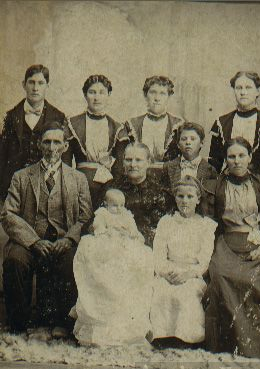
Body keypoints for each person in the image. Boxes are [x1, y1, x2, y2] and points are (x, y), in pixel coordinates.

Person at [1, 121, 92, 340]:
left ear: (65, 146)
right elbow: (8, 214)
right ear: (40, 145)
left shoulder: (78, 178)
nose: (52, 148)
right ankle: (18, 327)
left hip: (63, 240)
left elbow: (85, 216)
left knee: (72, 260)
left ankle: (62, 322)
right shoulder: (22, 176)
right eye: (47, 142)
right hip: (29, 241)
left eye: (57, 142)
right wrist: (33, 241)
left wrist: (70, 239)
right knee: (15, 260)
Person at [204, 137, 260, 361]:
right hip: (227, 242)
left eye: (241, 156)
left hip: (256, 244)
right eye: (231, 156)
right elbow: (211, 223)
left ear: (250, 158)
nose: (236, 161)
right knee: (221, 274)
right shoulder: (216, 185)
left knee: (255, 281)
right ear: (225, 159)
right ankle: (227, 347)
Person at [72, 188, 153, 346]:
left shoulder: (126, 215)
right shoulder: (102, 214)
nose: (119, 208)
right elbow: (98, 229)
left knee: (137, 260)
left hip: (123, 248)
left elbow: (134, 232)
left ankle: (127, 331)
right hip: (106, 246)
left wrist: (130, 234)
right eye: (114, 205)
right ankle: (100, 330)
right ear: (106, 204)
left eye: (122, 205)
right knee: (98, 263)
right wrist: (108, 231)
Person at [150, 176, 217, 349]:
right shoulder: (166, 222)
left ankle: (185, 338)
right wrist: (165, 272)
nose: (184, 201)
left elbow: (204, 260)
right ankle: (161, 335)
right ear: (175, 197)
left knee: (186, 293)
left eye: (189, 197)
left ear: (198, 199)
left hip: (192, 273)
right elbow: (158, 253)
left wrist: (188, 274)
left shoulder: (205, 225)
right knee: (160, 290)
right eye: (180, 196)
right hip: (169, 270)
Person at [0, 64, 66, 200]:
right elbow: (3, 154)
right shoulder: (11, 116)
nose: (35, 88)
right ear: (24, 84)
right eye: (31, 82)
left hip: (45, 181)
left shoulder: (58, 116)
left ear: (48, 85)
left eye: (41, 83)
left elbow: (62, 155)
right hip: (14, 181)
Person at [63, 74, 126, 209]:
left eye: (102, 92)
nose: (97, 98)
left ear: (109, 95)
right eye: (92, 92)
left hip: (108, 186)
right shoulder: (72, 124)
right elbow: (66, 163)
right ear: (85, 95)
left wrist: (113, 188)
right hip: (79, 183)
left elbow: (119, 166)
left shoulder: (117, 127)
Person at [106, 142, 174, 247]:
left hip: (147, 248)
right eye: (128, 160)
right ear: (123, 162)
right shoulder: (112, 187)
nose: (133, 165)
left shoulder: (160, 192)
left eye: (138, 160)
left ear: (148, 162)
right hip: (114, 244)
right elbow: (97, 219)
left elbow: (164, 230)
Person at [208, 71, 260, 175]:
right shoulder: (222, 122)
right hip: (226, 183)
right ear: (234, 90)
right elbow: (214, 165)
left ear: (258, 91)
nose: (243, 92)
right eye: (238, 88)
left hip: (256, 183)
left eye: (248, 87)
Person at [121, 75, 184, 164]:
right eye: (153, 92)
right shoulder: (131, 125)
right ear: (145, 95)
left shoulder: (178, 125)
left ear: (169, 97)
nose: (157, 98)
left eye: (162, 93)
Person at [161, 122, 217, 193]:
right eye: (184, 139)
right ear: (178, 144)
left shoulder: (210, 170)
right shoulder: (168, 167)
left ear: (201, 143)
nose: (188, 142)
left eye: (193, 139)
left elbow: (209, 199)